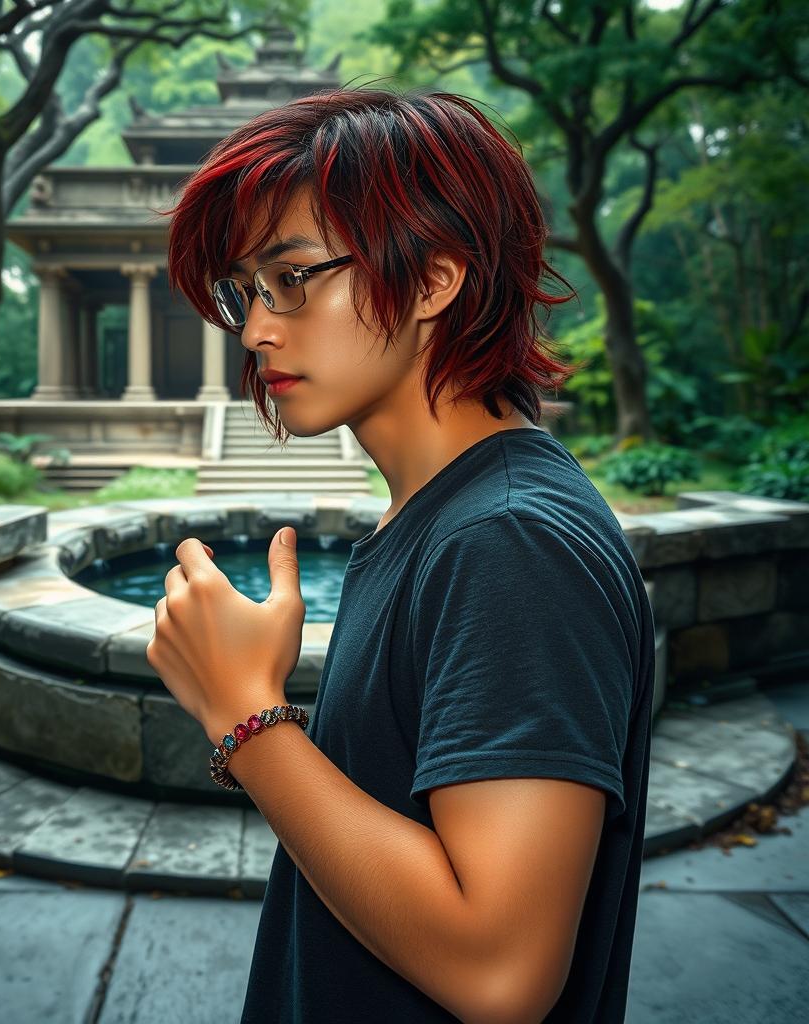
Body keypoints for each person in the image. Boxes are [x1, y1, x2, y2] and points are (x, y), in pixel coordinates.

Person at [147, 87, 655, 1023]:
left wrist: (245, 714)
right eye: (245, 292)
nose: (256, 330)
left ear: (433, 280)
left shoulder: (510, 542)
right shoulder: (437, 516)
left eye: (292, 278)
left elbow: (500, 972)